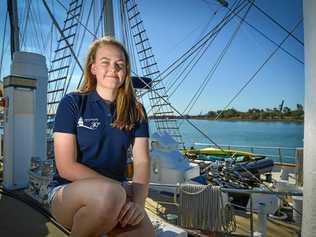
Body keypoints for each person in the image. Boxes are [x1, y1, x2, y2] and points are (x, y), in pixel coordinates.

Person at [48, 36, 155, 237]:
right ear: (93, 68)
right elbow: (65, 166)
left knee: (144, 234)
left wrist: (138, 205)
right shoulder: (72, 103)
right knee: (109, 195)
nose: (113, 69)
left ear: (126, 72)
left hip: (116, 195)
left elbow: (141, 161)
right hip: (68, 192)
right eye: (105, 62)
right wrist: (120, 190)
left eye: (119, 64)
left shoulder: (136, 110)